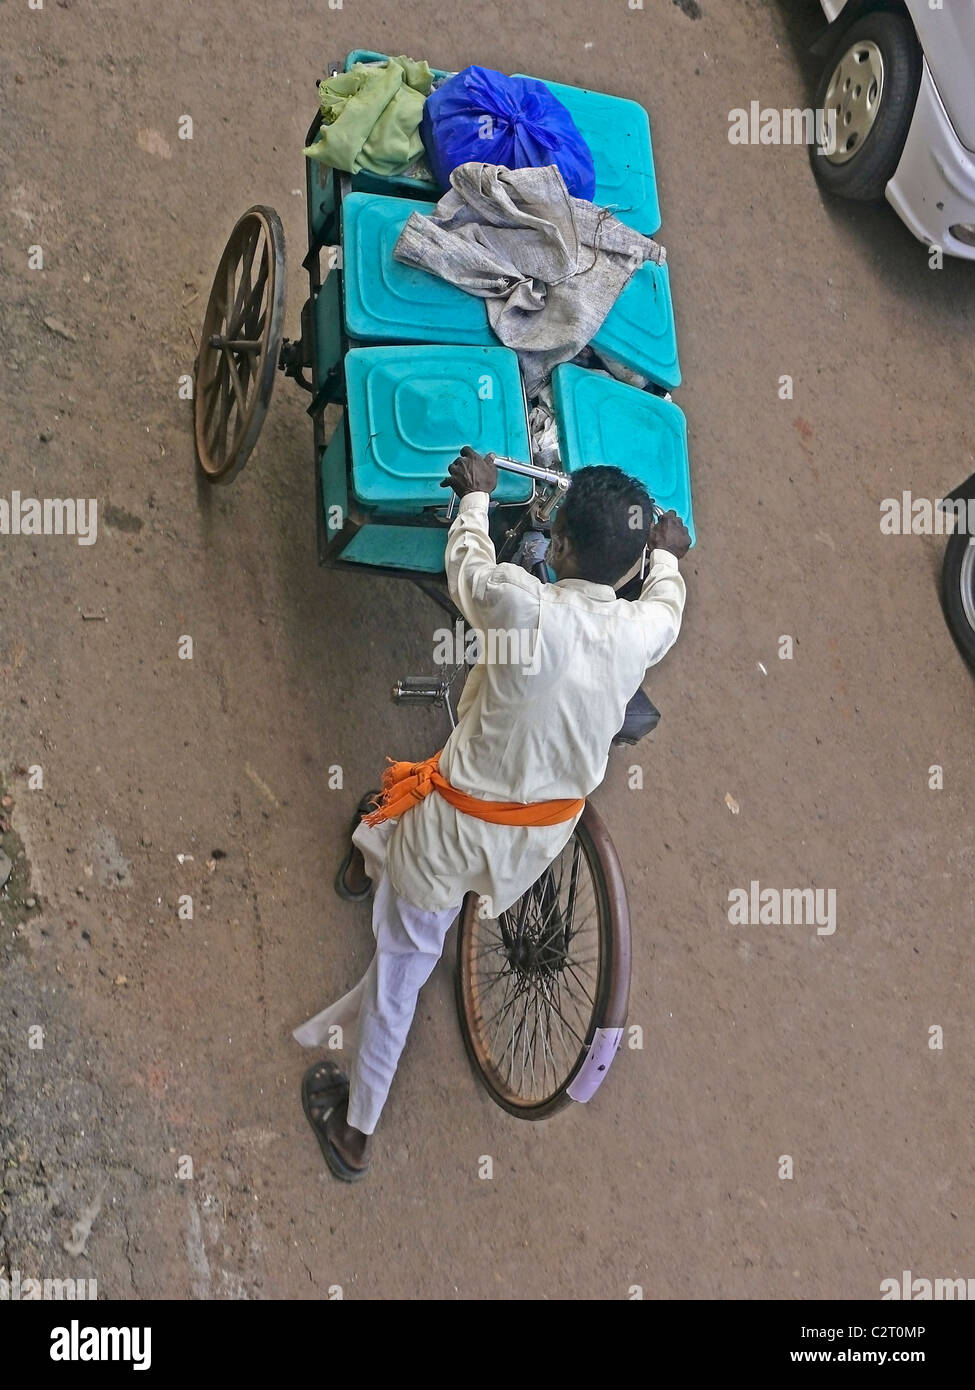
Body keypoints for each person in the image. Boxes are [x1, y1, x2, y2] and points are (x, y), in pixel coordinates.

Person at [294, 448, 690, 1181]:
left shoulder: (522, 602)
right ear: (630, 567)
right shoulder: (641, 631)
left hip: (450, 835)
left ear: (558, 546)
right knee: (407, 810)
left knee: (399, 976)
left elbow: (467, 570)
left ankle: (355, 1133)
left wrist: (474, 497)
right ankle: (367, 847)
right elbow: (666, 603)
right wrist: (666, 559)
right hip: (536, 842)